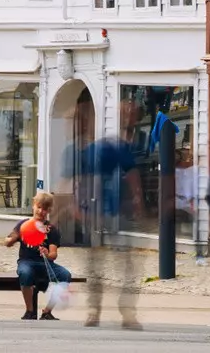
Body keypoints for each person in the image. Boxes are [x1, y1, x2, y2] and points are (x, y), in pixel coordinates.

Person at [77, 122, 144, 329]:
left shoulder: (90, 150)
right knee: (125, 265)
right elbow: (133, 176)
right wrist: (138, 201)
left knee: (96, 264)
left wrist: (79, 209)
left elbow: (80, 182)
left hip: (99, 213)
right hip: (114, 213)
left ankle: (94, 311)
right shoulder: (118, 149)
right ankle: (126, 312)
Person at [5, 190, 66, 321]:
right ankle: (29, 311)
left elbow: (53, 254)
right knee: (25, 273)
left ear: (49, 211)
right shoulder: (23, 225)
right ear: (33, 205)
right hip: (26, 261)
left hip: (45, 264)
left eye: (44, 209)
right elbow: (7, 242)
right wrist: (13, 238)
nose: (40, 211)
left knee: (65, 275)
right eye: (38, 207)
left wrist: (47, 254)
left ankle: (47, 311)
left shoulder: (51, 229)